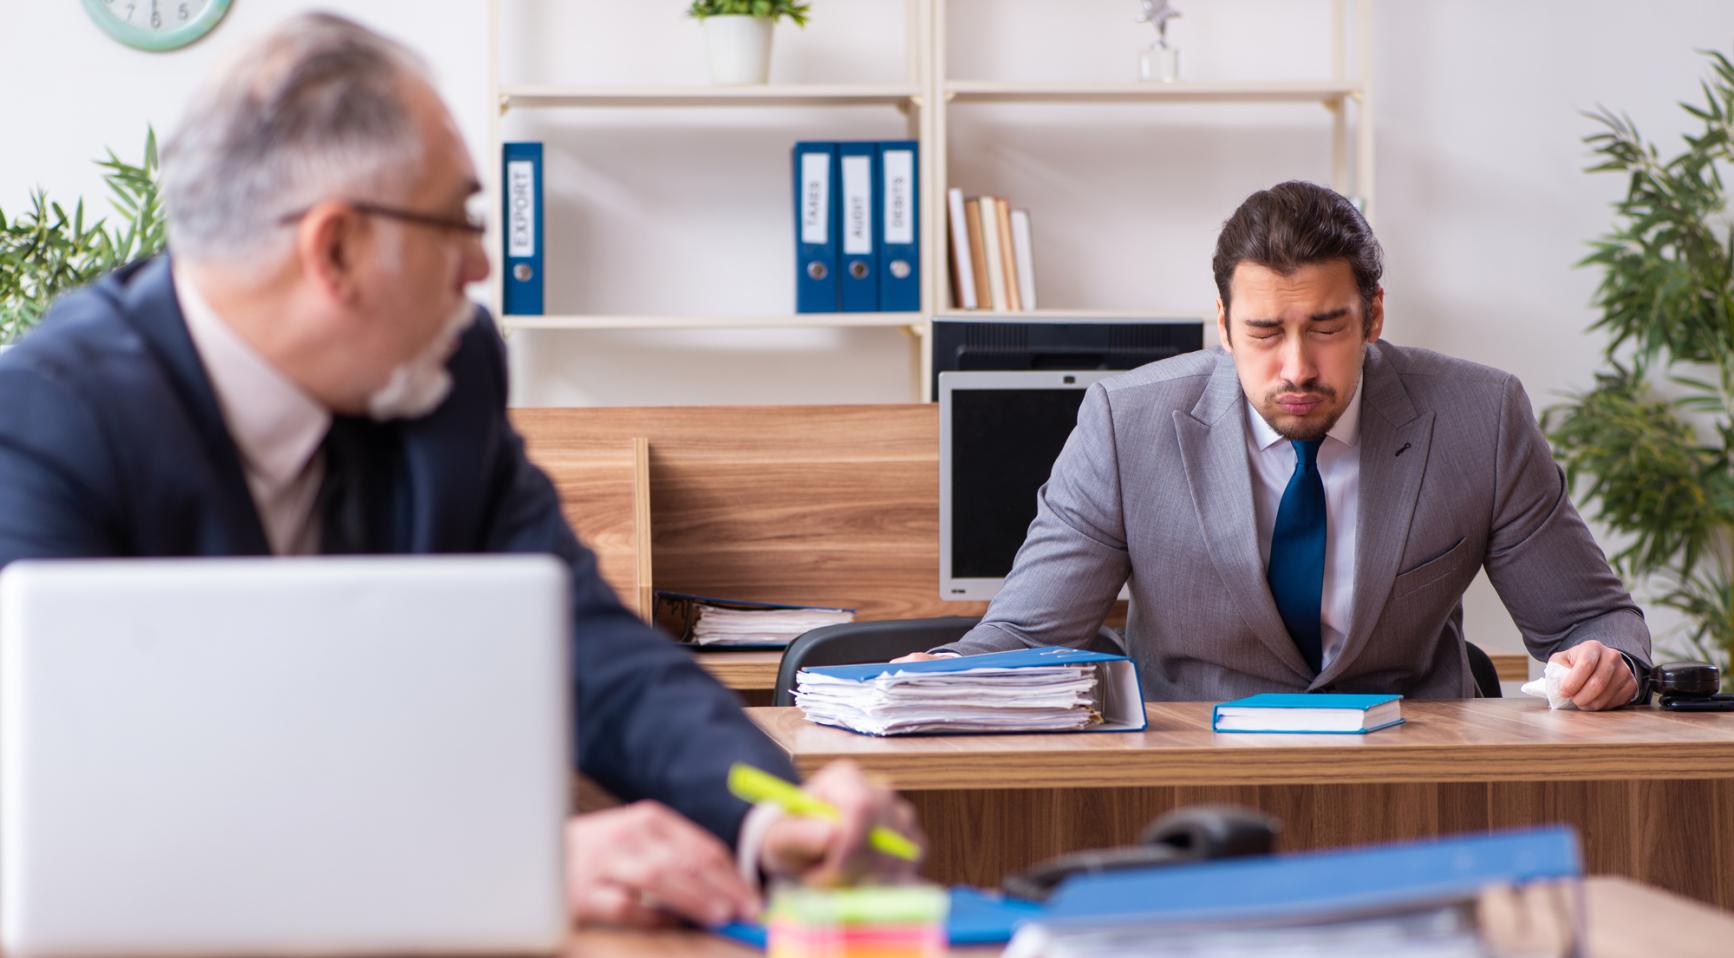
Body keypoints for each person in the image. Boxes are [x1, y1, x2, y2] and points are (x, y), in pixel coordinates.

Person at [0, 13, 917, 928]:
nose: (482, 266)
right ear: (336, 250)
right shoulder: (50, 422)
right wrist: (503, 867)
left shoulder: (445, 372)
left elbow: (590, 647)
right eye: (458, 222)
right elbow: (85, 807)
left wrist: (771, 811)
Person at [902, 181, 1650, 711]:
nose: (1296, 367)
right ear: (1223, 325)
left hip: (1411, 778)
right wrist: (927, 678)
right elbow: (1031, 631)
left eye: (1325, 327)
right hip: (1190, 785)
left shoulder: (1478, 417)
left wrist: (1606, 663)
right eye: (1264, 332)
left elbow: (1593, 620)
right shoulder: (1127, 426)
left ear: (1373, 315)